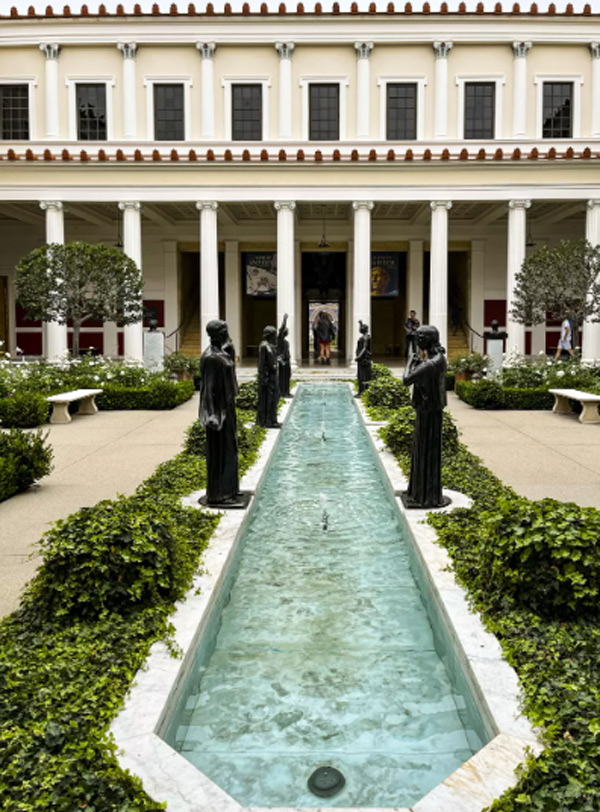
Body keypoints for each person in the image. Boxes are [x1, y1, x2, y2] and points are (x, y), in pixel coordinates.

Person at [402, 325, 448, 509]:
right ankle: (420, 493)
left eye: (419, 338)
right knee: (423, 451)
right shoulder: (437, 358)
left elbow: (407, 380)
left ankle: (425, 497)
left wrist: (409, 362)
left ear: (427, 341)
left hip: (429, 413)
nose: (417, 341)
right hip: (428, 411)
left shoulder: (430, 364)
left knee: (425, 451)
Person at [198, 319, 241, 506]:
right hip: (218, 412)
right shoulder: (211, 358)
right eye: (225, 330)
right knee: (221, 452)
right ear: (218, 334)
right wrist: (212, 415)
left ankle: (230, 489)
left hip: (227, 408)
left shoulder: (222, 353)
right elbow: (207, 390)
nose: (227, 333)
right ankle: (219, 495)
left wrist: (230, 352)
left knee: (230, 449)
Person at [257, 325, 280, 427]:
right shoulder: (264, 346)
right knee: (268, 400)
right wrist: (264, 379)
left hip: (273, 377)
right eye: (274, 335)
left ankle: (273, 419)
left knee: (274, 398)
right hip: (268, 378)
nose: (276, 337)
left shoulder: (270, 346)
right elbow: (261, 365)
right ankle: (267, 421)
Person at [355, 320, 372, 396]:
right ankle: (362, 391)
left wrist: (359, 357)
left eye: (361, 328)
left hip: (363, 360)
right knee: (362, 376)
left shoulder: (365, 338)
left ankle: (362, 392)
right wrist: (360, 323)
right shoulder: (366, 337)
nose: (359, 329)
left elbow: (364, 348)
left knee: (362, 376)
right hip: (363, 360)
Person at [277, 313, 292, 398]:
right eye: (286, 330)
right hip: (283, 362)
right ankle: (282, 392)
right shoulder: (280, 340)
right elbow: (281, 330)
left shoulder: (286, 342)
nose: (287, 331)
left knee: (287, 377)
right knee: (282, 378)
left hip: (287, 361)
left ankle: (287, 391)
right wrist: (284, 320)